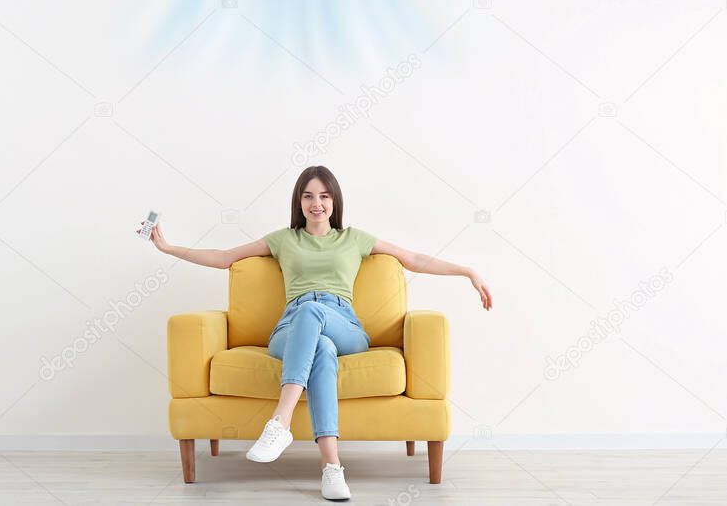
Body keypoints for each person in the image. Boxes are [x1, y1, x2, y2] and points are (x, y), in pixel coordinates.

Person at [142, 165, 492, 501]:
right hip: (291, 329)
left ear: (335, 201)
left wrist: (467, 271)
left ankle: (279, 422)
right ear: (299, 202)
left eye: (324, 196)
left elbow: (413, 258)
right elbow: (223, 258)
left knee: (316, 315)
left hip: (346, 326)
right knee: (320, 348)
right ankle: (331, 468)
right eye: (308, 196)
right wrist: (168, 247)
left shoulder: (354, 239)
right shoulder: (284, 240)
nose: (317, 203)